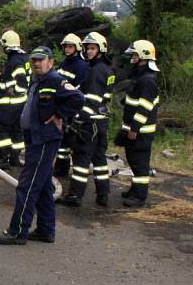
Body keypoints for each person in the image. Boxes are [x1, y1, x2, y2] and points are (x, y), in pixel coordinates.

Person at [0, 47, 83, 245]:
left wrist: (59, 115)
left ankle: (17, 232)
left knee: (27, 185)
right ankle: (45, 230)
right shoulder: (38, 80)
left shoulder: (54, 79)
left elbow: (78, 98)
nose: (36, 63)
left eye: (41, 60)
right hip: (36, 139)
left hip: (44, 140)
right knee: (41, 186)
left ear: (50, 62)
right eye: (34, 60)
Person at [56, 32, 114, 208]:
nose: (89, 51)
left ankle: (75, 196)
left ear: (101, 50)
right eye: (87, 48)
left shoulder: (96, 71)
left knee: (81, 160)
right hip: (101, 122)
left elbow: (92, 100)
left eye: (92, 48)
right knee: (99, 160)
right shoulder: (106, 69)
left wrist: (78, 119)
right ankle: (103, 194)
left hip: (90, 123)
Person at [116, 40, 160, 207]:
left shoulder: (147, 80)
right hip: (134, 130)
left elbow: (144, 108)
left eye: (135, 55)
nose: (132, 58)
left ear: (143, 56)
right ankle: (134, 190)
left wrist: (134, 128)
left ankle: (140, 197)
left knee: (140, 164)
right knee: (133, 161)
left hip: (141, 132)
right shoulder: (139, 76)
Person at [0, 30, 30, 169]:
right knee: (16, 131)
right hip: (21, 104)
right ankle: (14, 158)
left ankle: (3, 159)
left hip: (9, 103)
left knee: (1, 130)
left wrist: (15, 91)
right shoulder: (24, 58)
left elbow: (21, 81)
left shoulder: (14, 61)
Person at [54, 34, 89, 177]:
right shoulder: (64, 63)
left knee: (68, 140)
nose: (67, 49)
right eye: (65, 47)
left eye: (70, 47)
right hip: (62, 106)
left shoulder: (81, 66)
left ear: (77, 48)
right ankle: (60, 167)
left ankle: (63, 169)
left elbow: (77, 90)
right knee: (62, 142)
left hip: (71, 109)